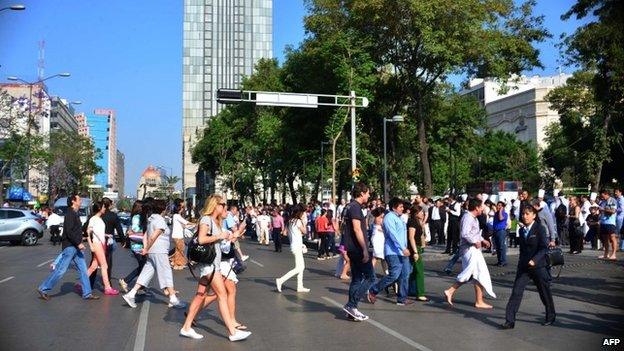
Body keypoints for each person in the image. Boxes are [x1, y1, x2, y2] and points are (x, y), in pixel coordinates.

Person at [180, 195, 251, 341]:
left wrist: (231, 236)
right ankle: (232, 332)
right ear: (215, 205)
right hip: (210, 265)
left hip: (210, 265)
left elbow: (219, 244)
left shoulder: (215, 222)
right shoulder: (206, 219)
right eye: (222, 204)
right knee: (222, 295)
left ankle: (186, 327)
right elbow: (201, 239)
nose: (224, 207)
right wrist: (219, 236)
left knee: (200, 296)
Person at [122, 199, 185, 309]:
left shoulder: (151, 219)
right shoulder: (160, 220)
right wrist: (146, 248)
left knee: (146, 273)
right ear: (163, 209)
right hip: (159, 251)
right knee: (166, 272)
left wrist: (146, 248)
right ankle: (173, 298)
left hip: (153, 252)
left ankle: (131, 294)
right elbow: (153, 236)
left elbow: (146, 234)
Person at [37, 194, 100, 301]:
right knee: (61, 270)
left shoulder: (75, 214)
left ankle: (87, 293)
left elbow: (75, 231)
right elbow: (69, 231)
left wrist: (82, 238)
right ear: (73, 202)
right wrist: (78, 243)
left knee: (83, 270)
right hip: (70, 247)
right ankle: (43, 288)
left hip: (75, 247)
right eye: (79, 199)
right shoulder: (70, 214)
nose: (80, 201)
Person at [502, 206, 555, 329]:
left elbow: (544, 248)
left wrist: (534, 260)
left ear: (534, 215)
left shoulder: (539, 229)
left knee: (544, 292)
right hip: (524, 268)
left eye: (527, 214)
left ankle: (550, 316)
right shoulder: (521, 231)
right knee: (516, 292)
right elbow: (523, 250)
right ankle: (510, 320)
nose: (525, 216)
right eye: (523, 214)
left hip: (539, 266)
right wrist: (522, 263)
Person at [444, 198, 496, 309]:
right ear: (477, 207)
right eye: (481, 206)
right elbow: (465, 234)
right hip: (469, 250)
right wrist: (475, 241)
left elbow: (475, 233)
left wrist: (482, 240)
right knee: (470, 273)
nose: (483, 208)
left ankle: (479, 300)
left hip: (473, 250)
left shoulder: (474, 218)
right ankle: (450, 291)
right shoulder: (467, 217)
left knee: (479, 274)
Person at [368, 197, 412, 306]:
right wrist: (402, 247)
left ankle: (402, 298)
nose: (402, 208)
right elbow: (393, 235)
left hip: (402, 252)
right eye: (400, 207)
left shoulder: (399, 218)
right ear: (394, 207)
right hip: (393, 251)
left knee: (405, 274)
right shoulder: (389, 218)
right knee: (394, 275)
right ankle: (373, 290)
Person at [342, 182, 375, 321]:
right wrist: (364, 250)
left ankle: (352, 310)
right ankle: (351, 305)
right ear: (362, 193)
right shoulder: (355, 207)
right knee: (370, 278)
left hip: (350, 247)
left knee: (356, 279)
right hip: (357, 249)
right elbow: (357, 229)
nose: (368, 195)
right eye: (367, 193)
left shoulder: (348, 206)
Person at [89, 197, 125, 290]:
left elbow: (86, 228)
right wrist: (123, 240)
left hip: (98, 242)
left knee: (94, 264)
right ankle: (108, 286)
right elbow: (119, 229)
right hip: (105, 244)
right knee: (106, 264)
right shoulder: (112, 216)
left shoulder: (95, 216)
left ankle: (88, 283)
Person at [275, 204, 310, 293]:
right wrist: (303, 222)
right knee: (299, 268)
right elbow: (305, 231)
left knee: (300, 267)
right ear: (299, 213)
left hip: (294, 245)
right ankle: (280, 280)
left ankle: (300, 286)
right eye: (302, 213)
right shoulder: (298, 221)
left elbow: (285, 233)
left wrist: (296, 234)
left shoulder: (290, 221)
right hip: (297, 246)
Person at [119, 200, 146, 292]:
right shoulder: (136, 217)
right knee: (143, 266)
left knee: (143, 266)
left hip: (139, 244)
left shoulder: (137, 217)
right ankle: (126, 281)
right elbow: (135, 229)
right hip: (137, 245)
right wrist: (144, 231)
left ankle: (140, 287)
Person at [407, 206, 428, 301]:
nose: (423, 214)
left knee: (414, 270)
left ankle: (411, 290)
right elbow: (411, 237)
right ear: (416, 213)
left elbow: (421, 236)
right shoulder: (412, 222)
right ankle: (420, 293)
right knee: (419, 270)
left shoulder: (419, 222)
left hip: (418, 247)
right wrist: (415, 251)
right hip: (414, 248)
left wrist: (423, 245)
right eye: (421, 212)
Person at [171, 200, 193, 270]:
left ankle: (173, 262)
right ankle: (178, 264)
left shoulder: (176, 216)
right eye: (182, 207)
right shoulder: (177, 216)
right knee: (180, 250)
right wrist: (196, 224)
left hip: (177, 235)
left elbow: (183, 225)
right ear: (179, 208)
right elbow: (186, 222)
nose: (183, 209)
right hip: (178, 236)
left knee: (178, 250)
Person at [598, 189, 618, 260]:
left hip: (610, 222)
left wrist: (603, 209)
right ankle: (606, 254)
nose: (601, 197)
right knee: (605, 239)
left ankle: (614, 254)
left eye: (602, 195)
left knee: (612, 238)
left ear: (606, 194)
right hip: (603, 222)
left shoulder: (612, 200)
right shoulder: (603, 201)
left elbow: (613, 211)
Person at [369, 207, 387, 281]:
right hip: (378, 237)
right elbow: (381, 224)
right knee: (376, 256)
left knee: (382, 257)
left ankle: (386, 273)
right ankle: (370, 273)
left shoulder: (377, 217)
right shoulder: (378, 218)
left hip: (379, 236)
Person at [492, 201, 509, 266]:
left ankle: (503, 261)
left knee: (501, 247)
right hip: (496, 231)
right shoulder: (496, 213)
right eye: (498, 205)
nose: (498, 207)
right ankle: (499, 261)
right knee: (498, 247)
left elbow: (500, 218)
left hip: (501, 231)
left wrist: (501, 210)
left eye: (500, 205)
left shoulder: (504, 214)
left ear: (503, 207)